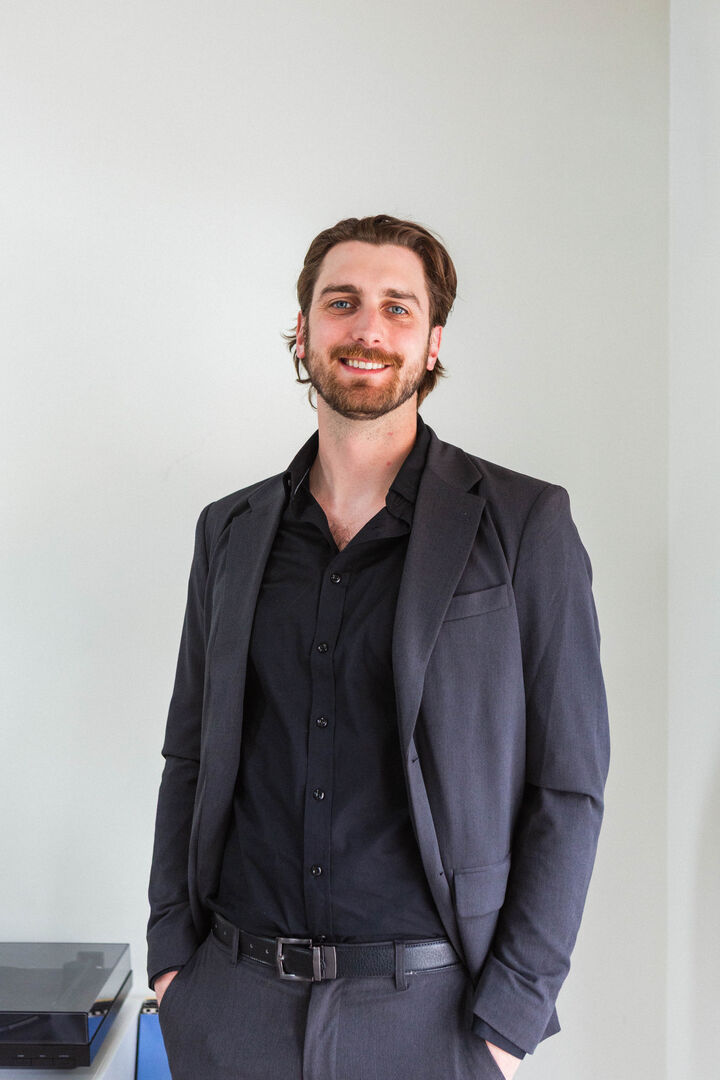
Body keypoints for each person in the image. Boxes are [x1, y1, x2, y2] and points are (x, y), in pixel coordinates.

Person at [147, 214, 610, 1080]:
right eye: (342, 303)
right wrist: (175, 962)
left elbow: (568, 787)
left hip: (432, 1020)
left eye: (398, 308)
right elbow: (189, 754)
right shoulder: (230, 530)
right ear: (302, 331)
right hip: (233, 1008)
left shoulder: (524, 524)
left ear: (432, 344)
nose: (368, 328)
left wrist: (509, 1021)